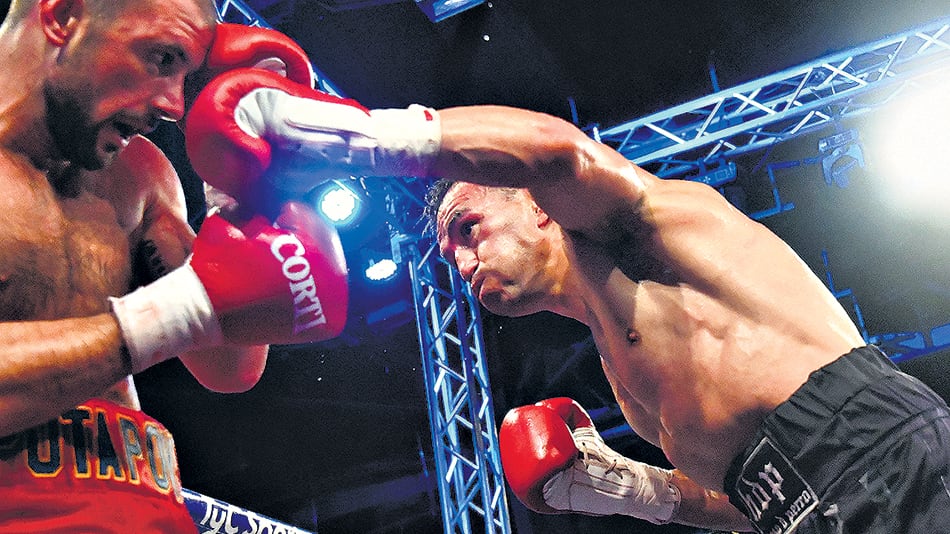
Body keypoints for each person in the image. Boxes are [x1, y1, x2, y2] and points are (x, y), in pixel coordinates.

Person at [188, 67, 950, 531]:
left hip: (882, 454)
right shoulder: (625, 375)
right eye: (449, 249)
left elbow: (556, 149)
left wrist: (337, 136)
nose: (458, 262)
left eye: (467, 227)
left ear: (538, 206)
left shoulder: (638, 230)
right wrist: (631, 489)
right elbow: (749, 501)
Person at [0, 1, 347, 531]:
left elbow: (230, 368)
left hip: (146, 509)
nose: (173, 105)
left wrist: (244, 190)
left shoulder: (139, 174)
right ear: (63, 16)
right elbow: (190, 313)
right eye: (163, 58)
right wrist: (169, 317)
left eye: (186, 75)